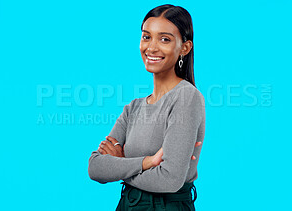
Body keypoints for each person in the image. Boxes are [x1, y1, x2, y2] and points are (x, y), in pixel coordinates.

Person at [88, 4, 205, 210]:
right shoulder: (133, 108)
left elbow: (170, 179)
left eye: (165, 39)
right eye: (146, 36)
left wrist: (121, 164)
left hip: (165, 206)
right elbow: (95, 168)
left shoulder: (187, 97)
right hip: (128, 204)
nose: (151, 47)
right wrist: (147, 162)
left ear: (184, 48)